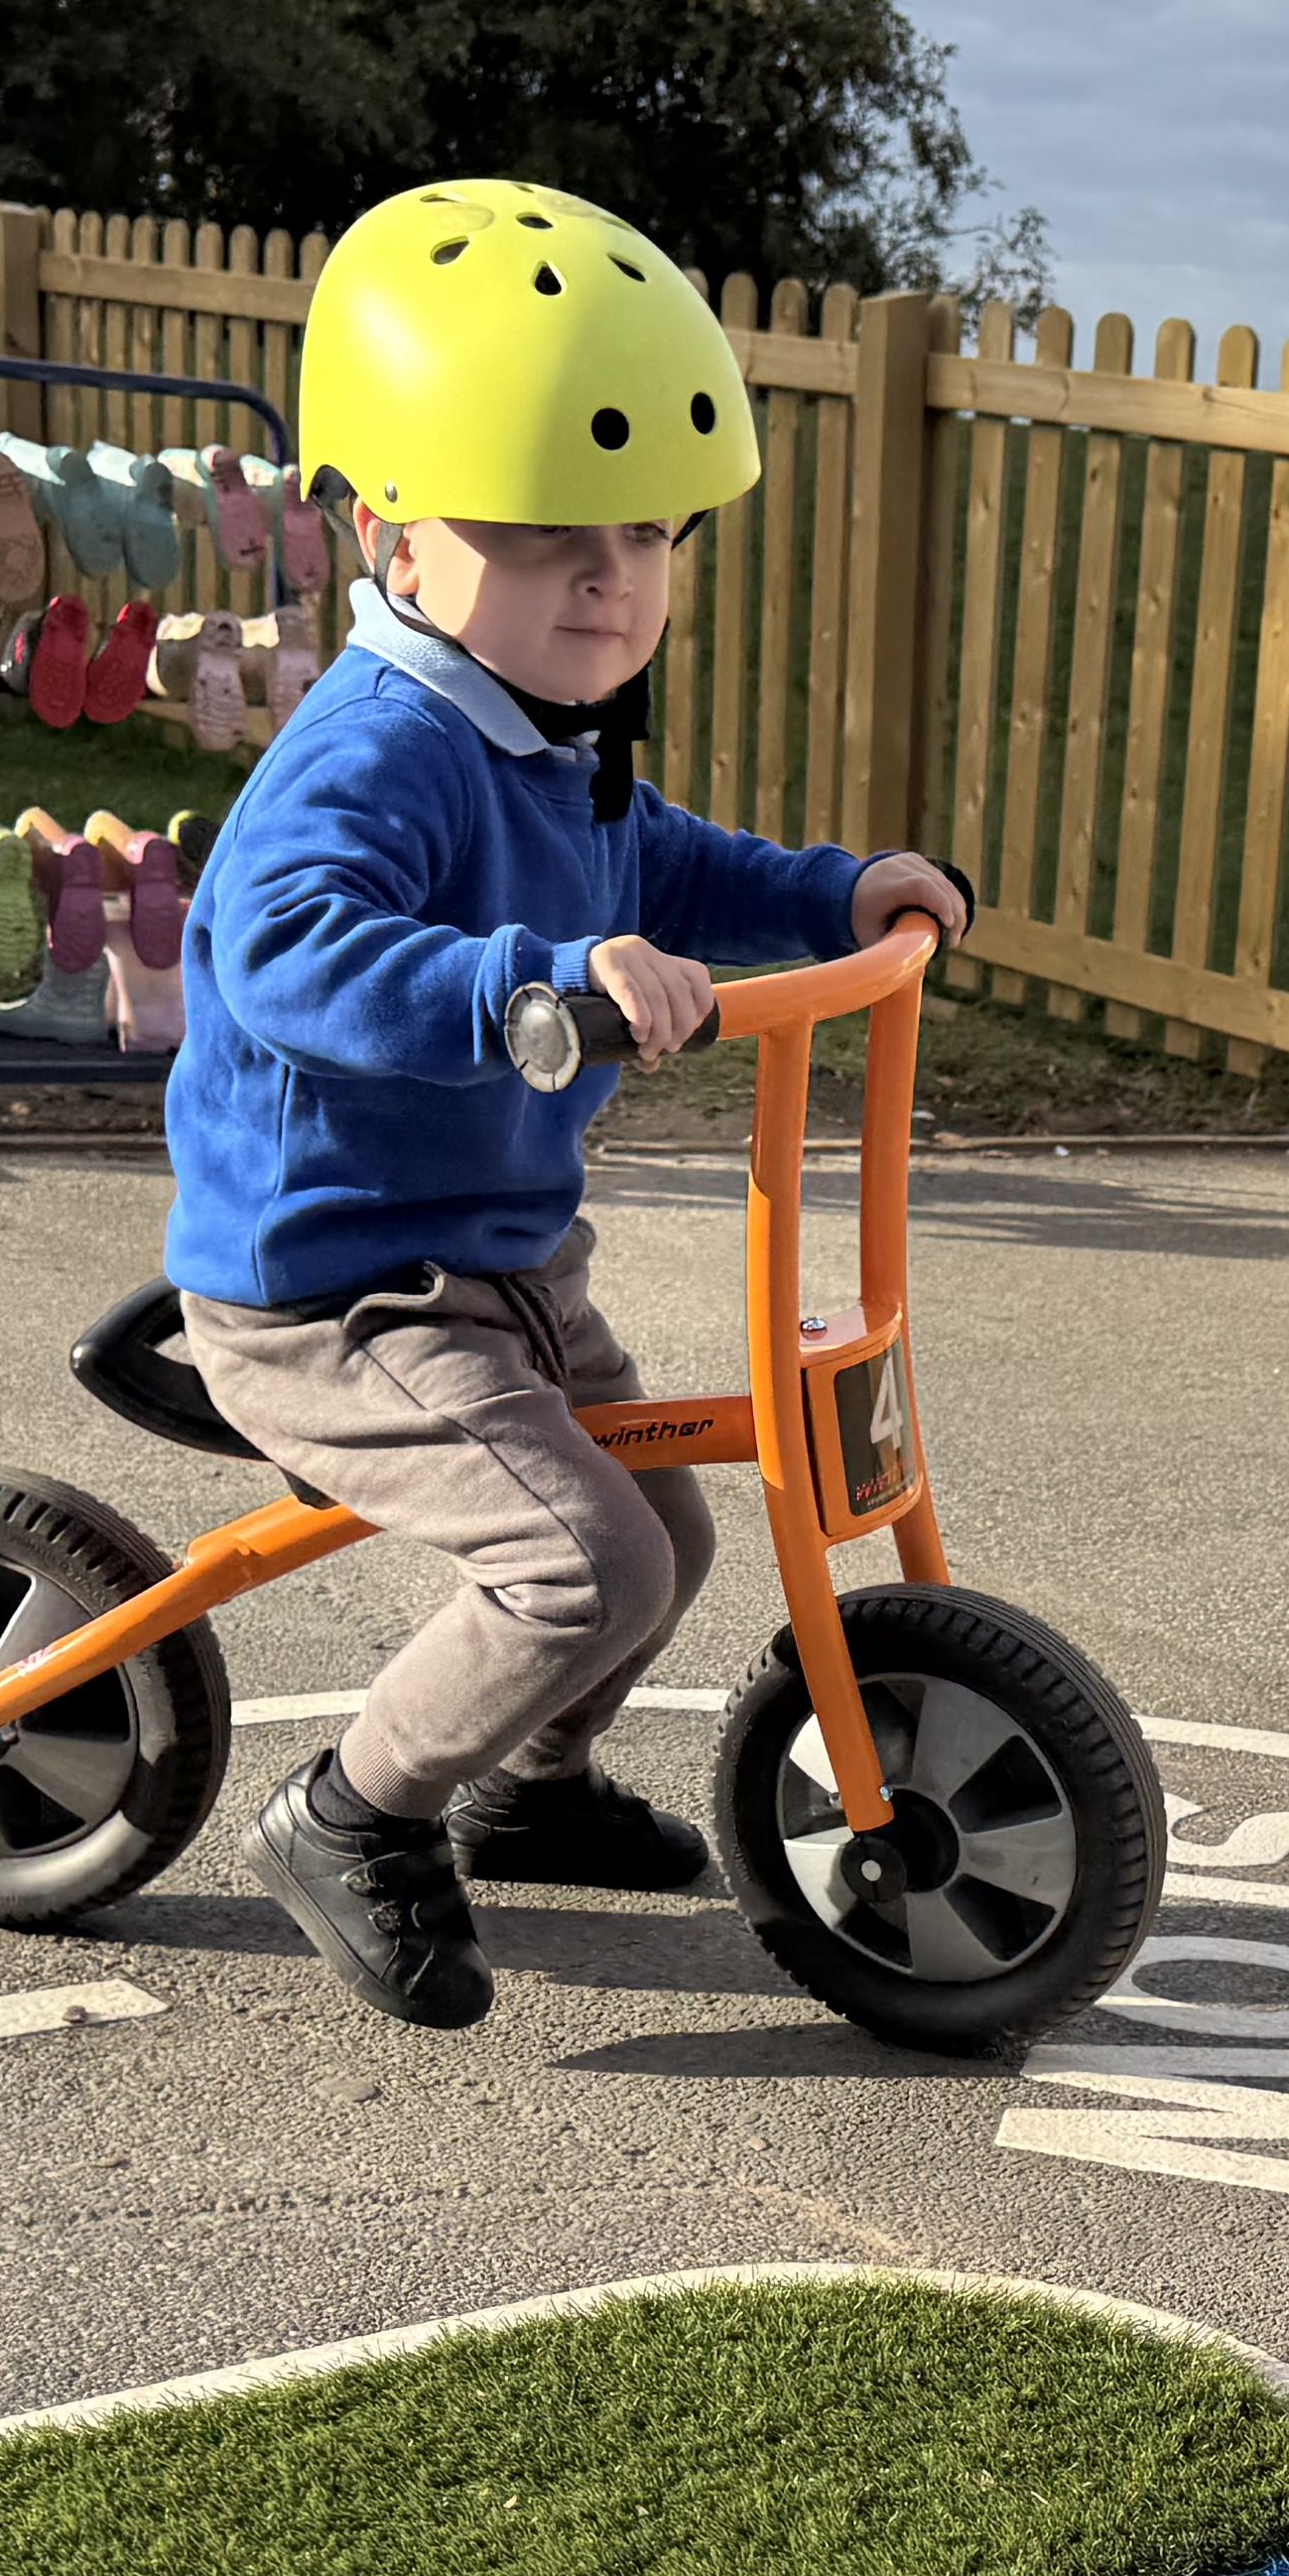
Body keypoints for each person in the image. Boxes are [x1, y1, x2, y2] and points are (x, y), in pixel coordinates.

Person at [166, 178, 969, 2031]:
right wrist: (521, 987)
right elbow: (284, 950)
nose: (607, 581)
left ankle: (527, 1785)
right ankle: (349, 1816)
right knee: (582, 1554)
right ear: (393, 534)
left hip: (500, 1262)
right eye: (542, 539)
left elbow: (662, 864)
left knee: (665, 1530)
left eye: (645, 534)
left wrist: (829, 897)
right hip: (333, 1286)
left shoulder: (552, 731)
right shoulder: (375, 752)